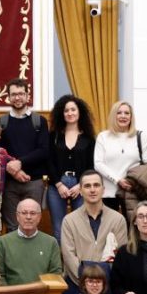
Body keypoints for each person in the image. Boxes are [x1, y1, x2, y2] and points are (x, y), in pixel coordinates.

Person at [59, 170, 127, 294]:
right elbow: (68, 256)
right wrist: (87, 281)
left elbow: (121, 256)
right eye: (87, 186)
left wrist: (101, 282)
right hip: (77, 285)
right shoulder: (69, 220)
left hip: (108, 285)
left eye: (96, 185)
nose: (92, 190)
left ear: (103, 189)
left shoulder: (118, 219)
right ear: (80, 191)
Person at [0, 78, 50, 231]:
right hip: (9, 184)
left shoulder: (39, 121)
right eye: (14, 94)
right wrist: (15, 172)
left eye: (21, 94)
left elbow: (43, 151)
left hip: (34, 182)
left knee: (30, 226)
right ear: (8, 97)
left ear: (27, 96)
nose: (17, 97)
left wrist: (20, 163)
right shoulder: (1, 123)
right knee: (12, 227)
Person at [47, 94, 96, 244]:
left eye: (73, 109)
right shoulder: (54, 136)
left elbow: (91, 165)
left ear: (80, 112)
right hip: (57, 186)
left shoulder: (89, 138)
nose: (70, 113)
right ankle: (60, 259)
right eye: (66, 110)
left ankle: (77, 259)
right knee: (58, 228)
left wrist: (80, 185)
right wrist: (58, 184)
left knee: (80, 227)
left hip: (81, 186)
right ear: (61, 113)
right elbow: (49, 162)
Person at [94, 100, 147, 213]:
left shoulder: (140, 136)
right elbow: (98, 163)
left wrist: (133, 182)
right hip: (108, 193)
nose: (123, 116)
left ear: (131, 117)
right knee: (110, 224)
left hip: (133, 192)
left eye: (127, 113)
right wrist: (118, 180)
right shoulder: (103, 137)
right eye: (119, 113)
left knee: (133, 224)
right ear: (113, 116)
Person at [0, 198, 62, 285]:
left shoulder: (51, 242)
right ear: (17, 216)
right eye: (24, 213)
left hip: (42, 293)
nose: (28, 217)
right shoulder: (3, 242)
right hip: (12, 293)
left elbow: (55, 275)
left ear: (39, 217)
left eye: (33, 213)